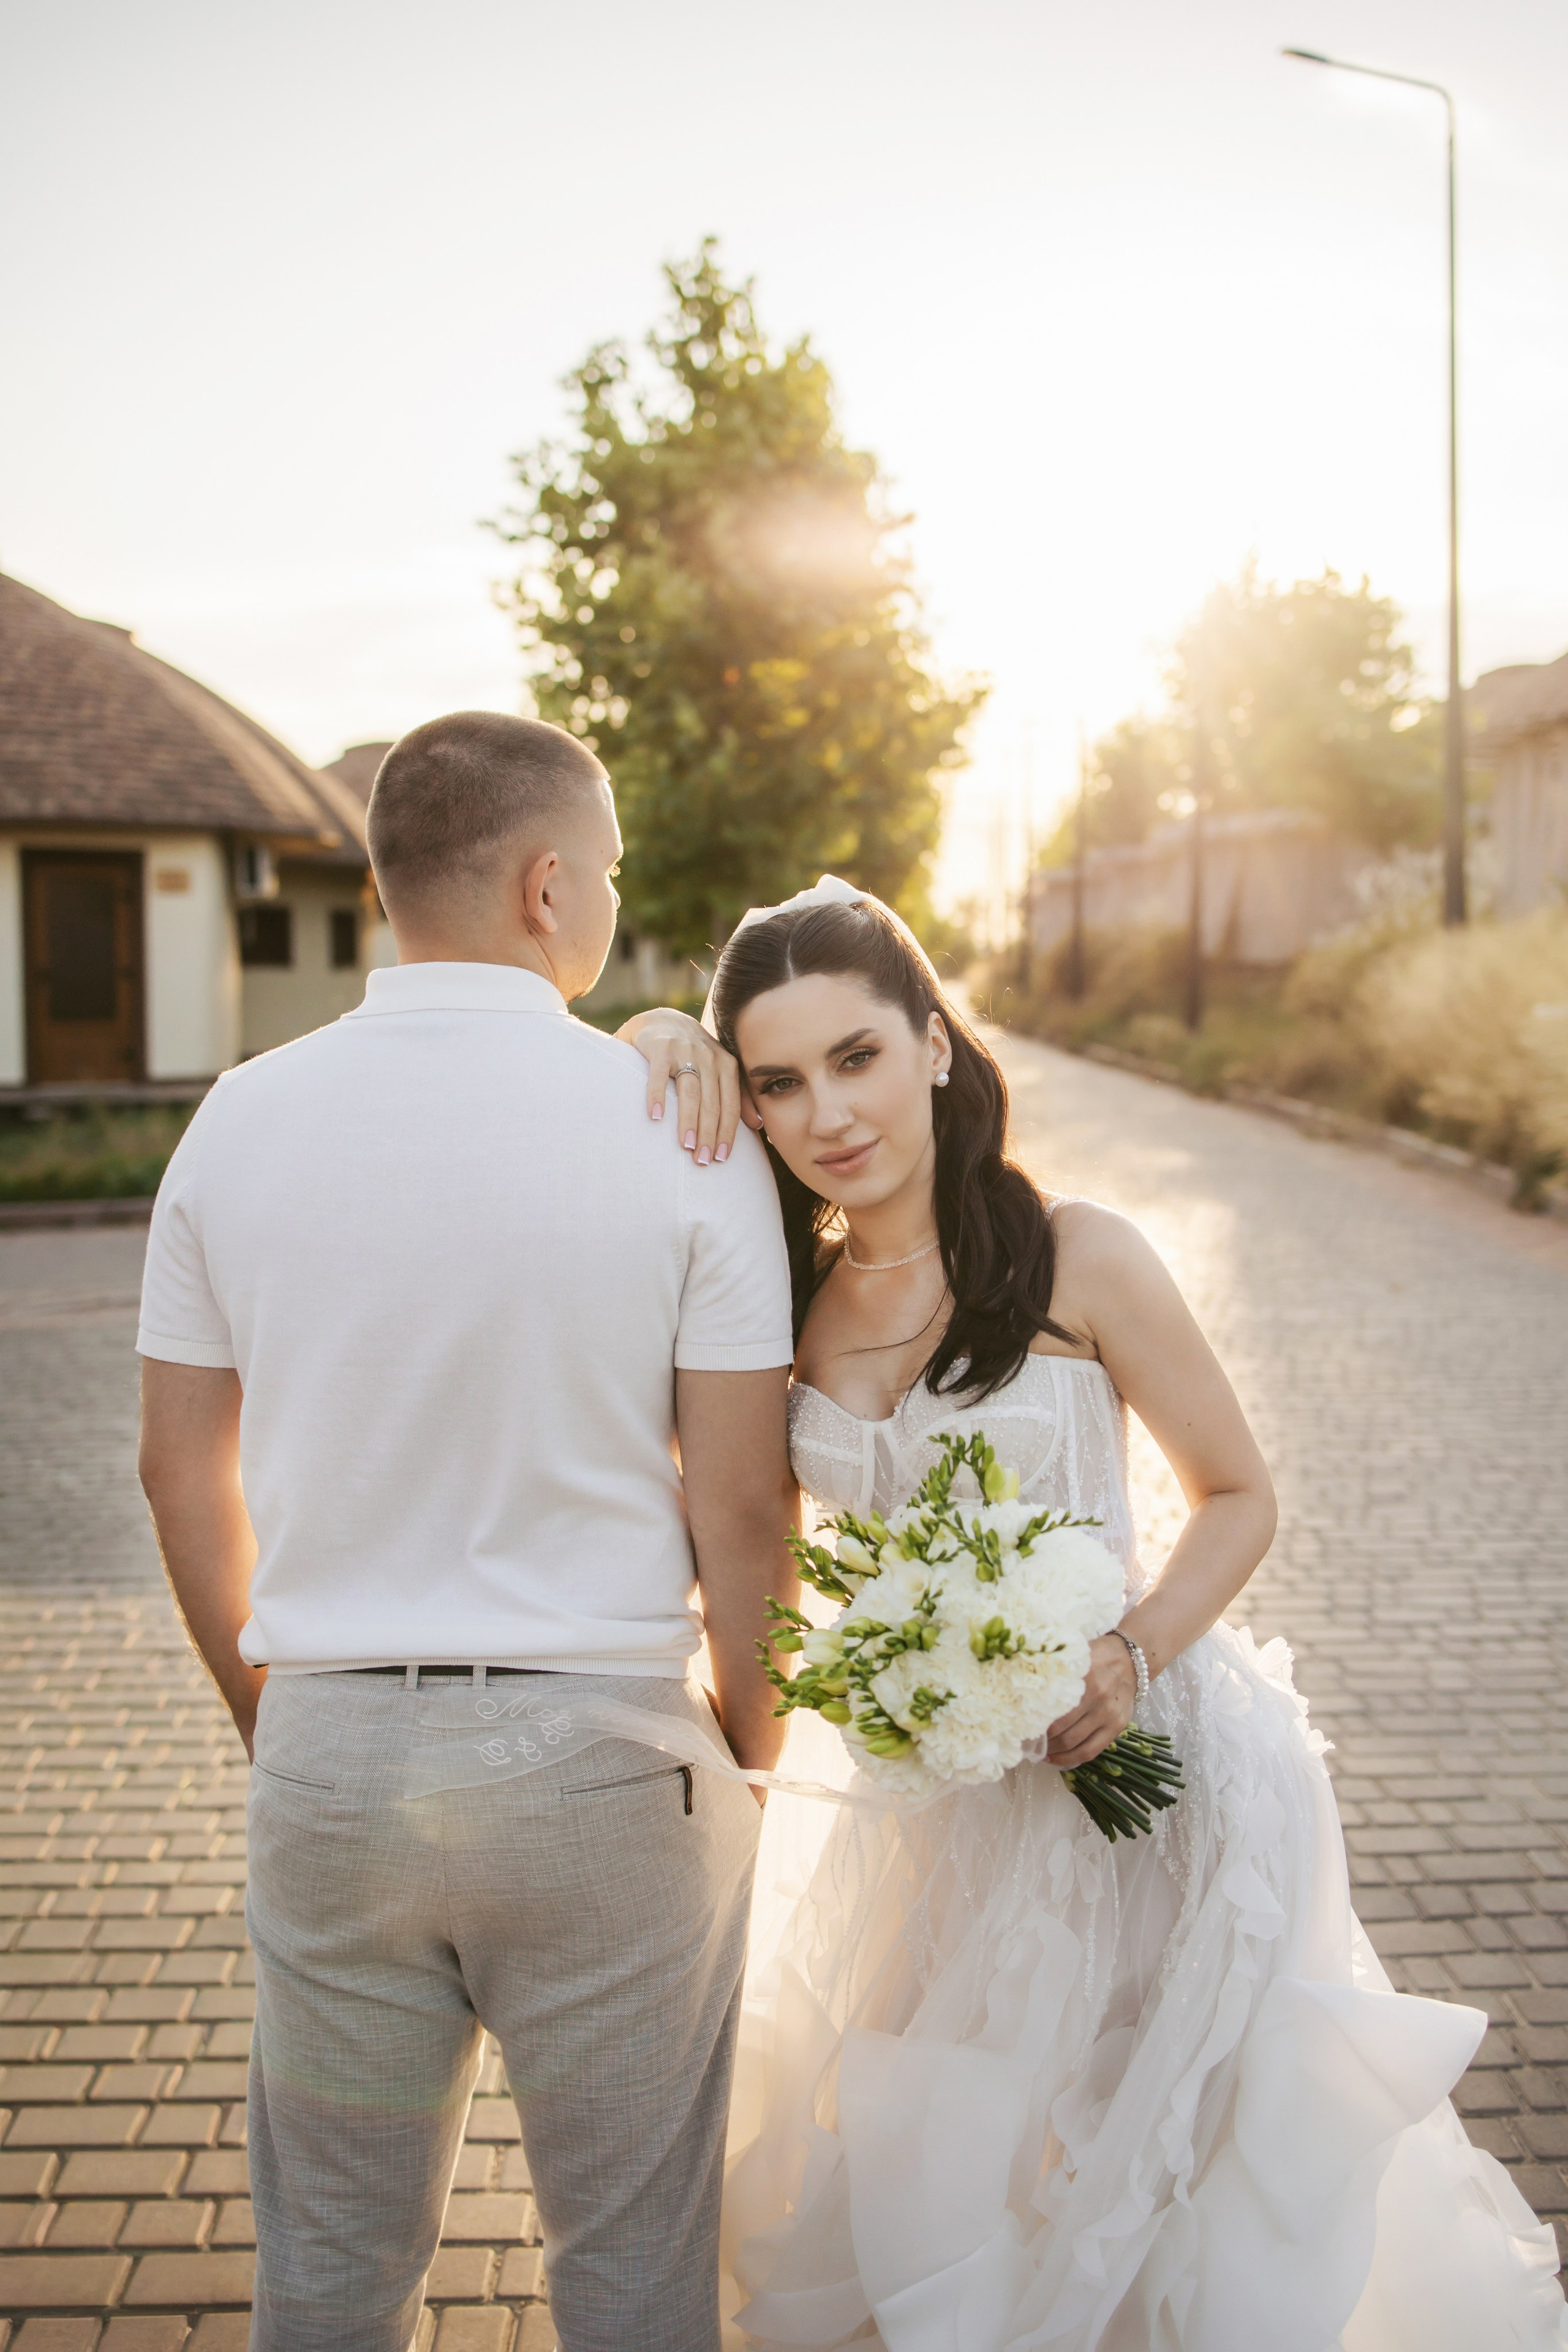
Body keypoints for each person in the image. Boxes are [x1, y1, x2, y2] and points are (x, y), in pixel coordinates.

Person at [620, 877, 1568, 2351]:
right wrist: (651, 1031)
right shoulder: (780, 1300)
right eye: (779, 1083)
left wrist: (1129, 1653)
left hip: (1142, 1788)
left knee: (1155, 2170)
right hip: (925, 1811)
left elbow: (1238, 1496)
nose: (828, 1116)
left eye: (858, 1056)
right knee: (950, 2176)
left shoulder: (1080, 1255)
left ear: (935, 1043)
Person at [135, 712, 799, 2352]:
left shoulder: (235, 1120)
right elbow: (739, 1504)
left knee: (332, 2274)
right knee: (636, 2275)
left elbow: (172, 1471)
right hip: (609, 1760)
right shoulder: (686, 1137)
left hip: (335, 1759)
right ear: (548, 882)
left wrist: (276, 1715)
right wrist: (751, 1738)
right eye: (615, 874)